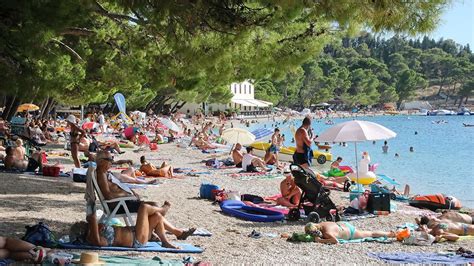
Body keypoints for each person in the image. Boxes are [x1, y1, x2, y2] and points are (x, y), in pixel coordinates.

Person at [70, 203, 195, 249]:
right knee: (144, 207)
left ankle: (171, 237)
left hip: (135, 231)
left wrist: (93, 223)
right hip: (137, 239)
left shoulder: (94, 229)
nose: (81, 223)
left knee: (156, 216)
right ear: (81, 232)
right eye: (80, 225)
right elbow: (99, 244)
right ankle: (163, 209)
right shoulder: (92, 237)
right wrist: (92, 223)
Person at [304, 222, 395, 244]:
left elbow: (335, 241)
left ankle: (389, 234)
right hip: (343, 225)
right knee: (369, 232)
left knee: (371, 234)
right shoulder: (321, 224)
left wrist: (319, 241)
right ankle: (388, 233)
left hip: (350, 232)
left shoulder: (327, 232)